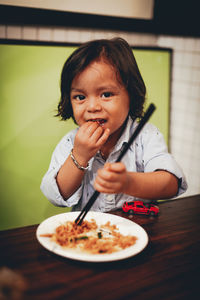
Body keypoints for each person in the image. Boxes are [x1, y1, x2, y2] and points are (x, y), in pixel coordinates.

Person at [40, 38, 187, 212]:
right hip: (90, 233)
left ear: (131, 95)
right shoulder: (71, 142)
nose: (93, 107)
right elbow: (55, 195)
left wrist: (128, 182)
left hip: (134, 232)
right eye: (80, 97)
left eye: (106, 94)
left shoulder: (145, 136)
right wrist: (79, 156)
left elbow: (171, 184)